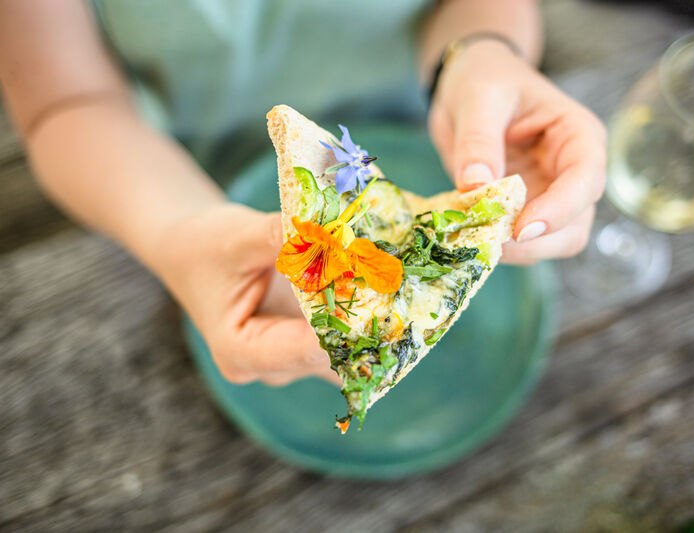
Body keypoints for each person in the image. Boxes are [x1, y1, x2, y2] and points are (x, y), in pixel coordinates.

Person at [0, 0, 605, 386]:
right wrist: (178, 232)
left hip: (431, 134)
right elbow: (65, 103)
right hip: (165, 177)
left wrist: (479, 56)